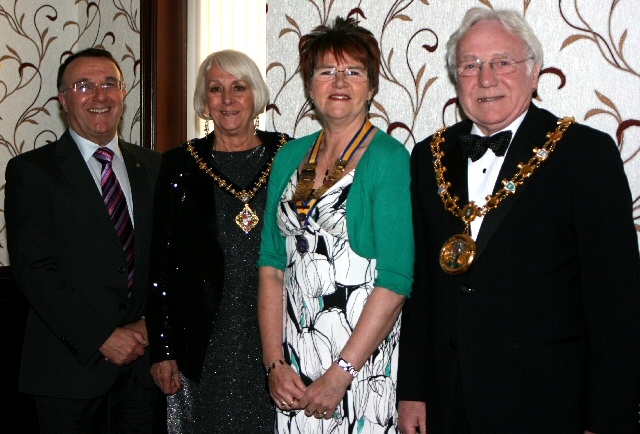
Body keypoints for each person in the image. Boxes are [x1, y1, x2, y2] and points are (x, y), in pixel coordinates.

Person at [397, 7, 640, 434]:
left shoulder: (585, 154)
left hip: (548, 401)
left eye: (502, 62)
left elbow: (616, 301)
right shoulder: (428, 156)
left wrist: (606, 417)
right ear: (456, 78)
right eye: (470, 65)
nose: (485, 78)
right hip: (448, 396)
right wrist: (413, 389)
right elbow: (422, 286)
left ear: (534, 70)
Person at [257, 16, 414, 433]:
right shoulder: (289, 156)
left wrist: (340, 373)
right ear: (310, 87)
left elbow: (396, 281)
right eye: (326, 71)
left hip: (359, 363)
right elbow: (271, 267)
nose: (339, 81)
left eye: (353, 72)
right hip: (293, 365)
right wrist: (274, 362)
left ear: (372, 85)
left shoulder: (388, 160)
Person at [4, 47, 162, 433]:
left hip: (143, 373)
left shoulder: (153, 166)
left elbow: (169, 260)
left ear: (123, 93)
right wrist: (101, 337)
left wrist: (150, 327)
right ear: (63, 99)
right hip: (69, 372)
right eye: (84, 86)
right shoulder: (32, 172)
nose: (99, 95)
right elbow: (34, 271)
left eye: (110, 84)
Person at [145, 49, 292, 433]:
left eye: (238, 87)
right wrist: (163, 350)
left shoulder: (289, 154)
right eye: (216, 89)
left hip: (279, 335)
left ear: (255, 95)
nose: (228, 100)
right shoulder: (179, 163)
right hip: (205, 340)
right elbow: (159, 264)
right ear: (204, 101)